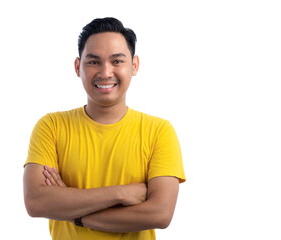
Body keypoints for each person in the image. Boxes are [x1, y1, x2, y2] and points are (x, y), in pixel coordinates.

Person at [23, 17, 186, 240]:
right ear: (77, 67)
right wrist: (121, 193)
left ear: (134, 65)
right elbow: (36, 202)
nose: (105, 72)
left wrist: (74, 214)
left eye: (117, 61)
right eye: (93, 62)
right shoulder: (51, 126)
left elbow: (160, 213)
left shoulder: (159, 131)